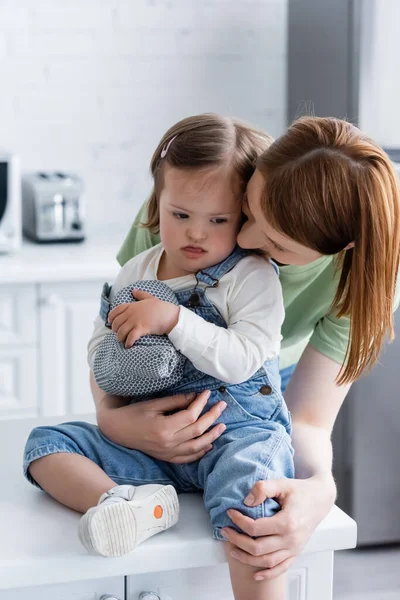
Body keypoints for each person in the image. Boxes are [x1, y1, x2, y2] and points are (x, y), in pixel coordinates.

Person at [110, 114, 400, 584]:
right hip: (156, 379)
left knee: (253, 515)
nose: (244, 239)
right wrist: (112, 417)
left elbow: (305, 418)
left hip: (264, 392)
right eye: (247, 211)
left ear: (339, 249)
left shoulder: (363, 278)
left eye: (276, 245)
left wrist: (319, 488)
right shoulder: (192, 202)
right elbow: (114, 328)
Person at [24, 114, 293, 600]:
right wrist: (113, 366)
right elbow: (99, 345)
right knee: (46, 445)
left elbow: (243, 359)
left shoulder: (252, 276)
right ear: (157, 205)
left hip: (233, 435)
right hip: (151, 444)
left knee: (252, 497)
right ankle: (127, 505)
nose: (197, 234)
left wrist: (173, 319)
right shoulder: (136, 270)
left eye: (218, 220)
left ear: (245, 218)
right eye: (180, 214)